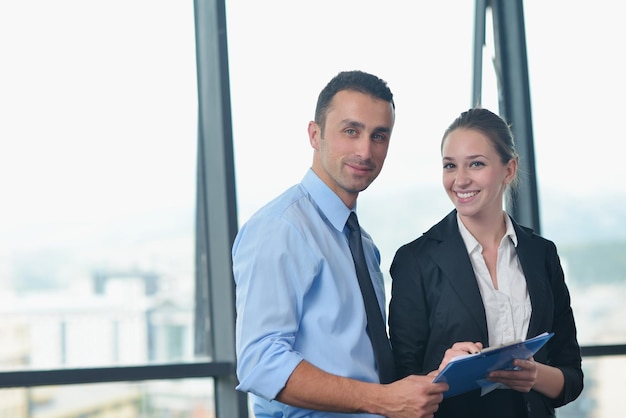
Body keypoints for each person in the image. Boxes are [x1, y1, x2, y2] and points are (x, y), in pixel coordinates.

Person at [232, 70, 447, 418]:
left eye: (379, 136)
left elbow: (364, 360)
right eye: (351, 131)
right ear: (315, 135)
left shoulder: (361, 243)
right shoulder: (281, 228)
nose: (365, 150)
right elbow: (260, 362)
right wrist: (382, 400)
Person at [388, 107, 584, 417]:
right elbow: (398, 386)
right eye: (450, 166)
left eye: (476, 164)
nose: (460, 180)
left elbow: (571, 378)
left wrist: (536, 375)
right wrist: (443, 371)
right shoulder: (416, 260)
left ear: (509, 170)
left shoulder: (541, 254)